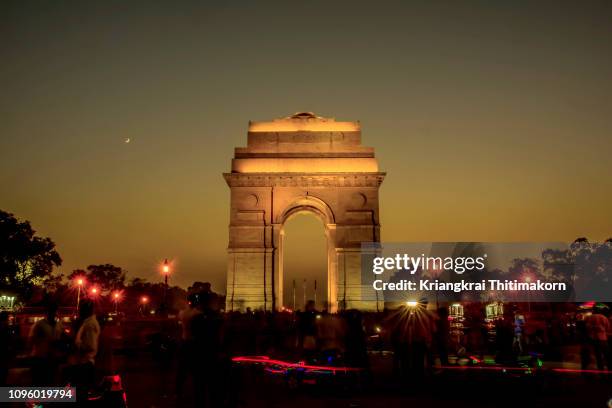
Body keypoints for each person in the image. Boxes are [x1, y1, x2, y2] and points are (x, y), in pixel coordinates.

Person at [68, 300, 100, 402]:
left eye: (81, 309)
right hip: (84, 363)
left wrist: (76, 344)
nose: (79, 311)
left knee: (80, 395)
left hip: (84, 364)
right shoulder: (88, 323)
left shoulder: (89, 325)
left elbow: (90, 345)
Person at [29, 302, 63, 385]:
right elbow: (30, 340)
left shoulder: (59, 325)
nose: (53, 313)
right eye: (51, 311)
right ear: (46, 312)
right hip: (40, 359)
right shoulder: (39, 325)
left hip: (53, 358)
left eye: (54, 311)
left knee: (51, 382)